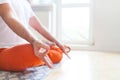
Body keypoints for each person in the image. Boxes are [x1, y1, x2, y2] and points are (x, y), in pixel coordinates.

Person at [0, 0, 71, 71]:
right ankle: (43, 50)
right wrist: (34, 41)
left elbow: (39, 27)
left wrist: (59, 44)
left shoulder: (24, 3)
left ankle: (44, 49)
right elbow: (10, 17)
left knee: (57, 54)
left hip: (23, 46)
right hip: (3, 49)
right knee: (28, 53)